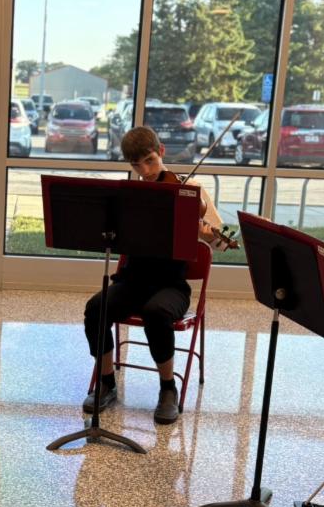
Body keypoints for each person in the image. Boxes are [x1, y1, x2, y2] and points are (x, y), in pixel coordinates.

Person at [82, 126, 224, 425]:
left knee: (156, 312)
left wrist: (204, 232)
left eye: (150, 161)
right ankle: (106, 382)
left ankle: (168, 388)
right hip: (133, 280)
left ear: (161, 152)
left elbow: (220, 243)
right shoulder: (130, 195)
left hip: (172, 284)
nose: (145, 171)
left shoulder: (190, 189)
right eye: (137, 165)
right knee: (96, 309)